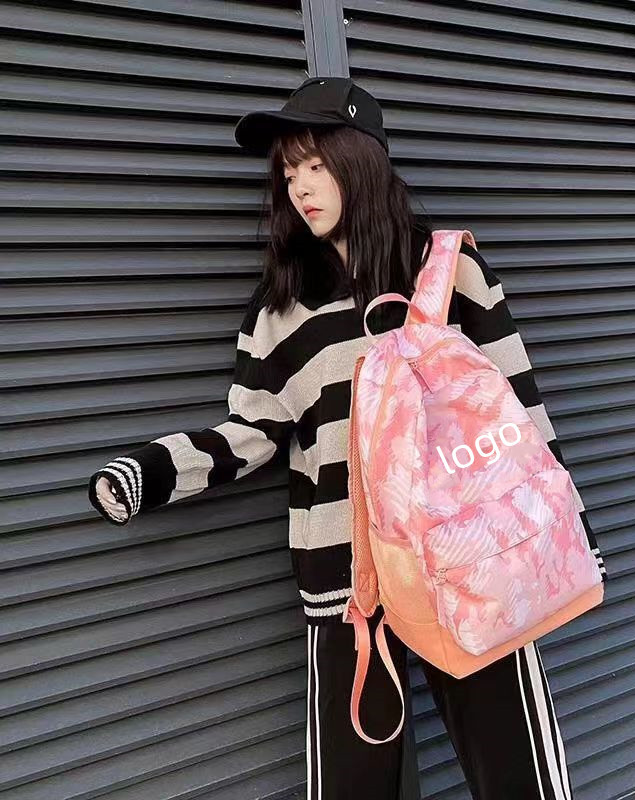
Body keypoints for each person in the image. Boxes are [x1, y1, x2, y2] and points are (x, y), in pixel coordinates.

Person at [88, 76, 606, 800]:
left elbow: (519, 409)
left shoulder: (447, 270)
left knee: (518, 777)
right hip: (348, 584)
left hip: (467, 564)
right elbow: (251, 430)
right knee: (352, 785)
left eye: (315, 163)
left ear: (360, 160)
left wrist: (567, 530)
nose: (300, 185)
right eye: (288, 171)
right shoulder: (281, 309)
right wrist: (152, 471)